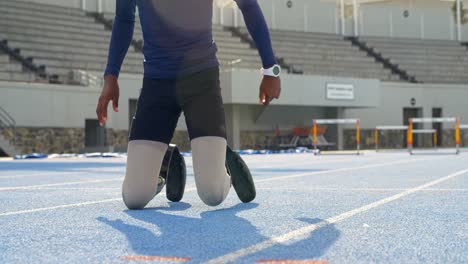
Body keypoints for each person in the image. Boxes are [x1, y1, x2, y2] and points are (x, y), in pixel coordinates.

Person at [96, 0, 281, 209]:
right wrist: (111, 76)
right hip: (157, 83)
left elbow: (248, 5)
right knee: (134, 197)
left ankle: (223, 161)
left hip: (201, 81)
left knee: (212, 194)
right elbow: (124, 17)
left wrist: (270, 68)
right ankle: (166, 160)